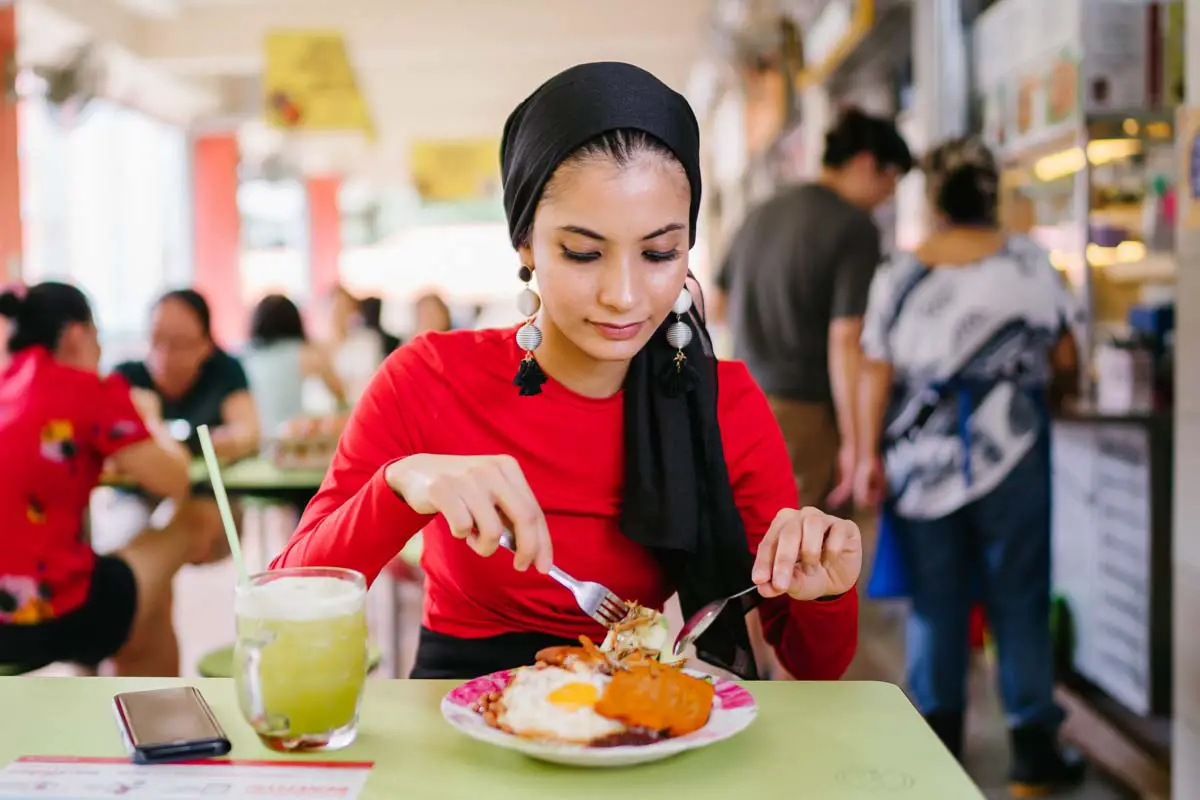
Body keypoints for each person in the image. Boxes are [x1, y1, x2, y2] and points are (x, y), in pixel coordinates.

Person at [271, 62, 863, 681]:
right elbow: (289, 597)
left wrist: (823, 586)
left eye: (660, 253)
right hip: (454, 713)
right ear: (525, 244)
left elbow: (811, 665)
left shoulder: (724, 404)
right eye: (583, 253)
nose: (625, 295)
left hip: (630, 723)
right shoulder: (427, 377)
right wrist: (399, 485)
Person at [854, 137, 1084, 793]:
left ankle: (938, 746)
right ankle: (1035, 753)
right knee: (1020, 598)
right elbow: (1067, 360)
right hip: (1013, 453)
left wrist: (867, 453)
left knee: (936, 602)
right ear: (992, 195)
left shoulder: (901, 274)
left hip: (920, 463)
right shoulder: (1029, 263)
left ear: (932, 199)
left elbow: (876, 369)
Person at [0, 282, 218, 675]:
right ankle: (156, 725)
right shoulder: (86, 389)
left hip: (22, 610)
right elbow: (175, 478)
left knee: (140, 605)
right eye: (98, 341)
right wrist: (148, 414)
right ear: (76, 337)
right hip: (46, 619)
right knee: (196, 518)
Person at [714, 108, 913, 511]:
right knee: (802, 551)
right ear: (864, 164)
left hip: (742, 404)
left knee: (756, 532)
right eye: (890, 179)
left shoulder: (761, 212)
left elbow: (717, 305)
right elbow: (846, 339)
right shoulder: (854, 227)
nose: (889, 194)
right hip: (806, 417)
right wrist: (856, 448)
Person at [114, 289, 260, 461]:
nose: (164, 355)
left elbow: (248, 431)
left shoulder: (225, 370)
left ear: (206, 344)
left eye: (179, 343)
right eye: (156, 339)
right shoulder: (126, 378)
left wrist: (231, 441)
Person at [242, 293, 347, 437]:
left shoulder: (245, 356)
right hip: (290, 441)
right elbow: (339, 392)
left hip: (254, 441)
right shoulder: (305, 353)